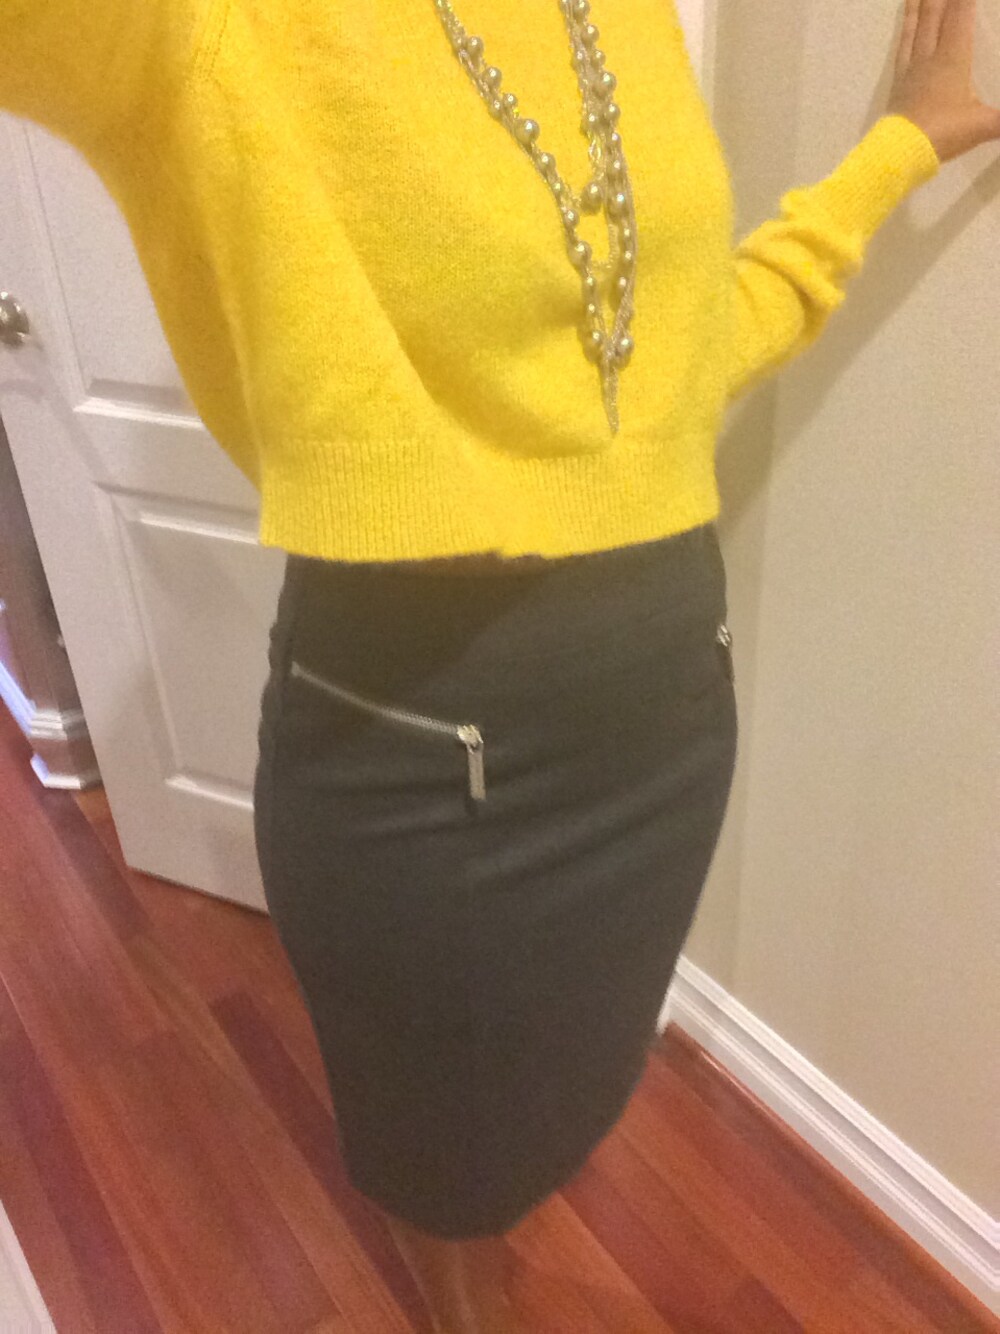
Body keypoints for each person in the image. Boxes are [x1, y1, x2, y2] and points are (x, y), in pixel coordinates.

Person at [2, 1, 996, 1330]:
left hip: (666, 718)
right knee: (438, 1135)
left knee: (567, 1081)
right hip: (417, 755)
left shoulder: (629, 17)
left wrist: (893, 153)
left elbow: (679, 356)